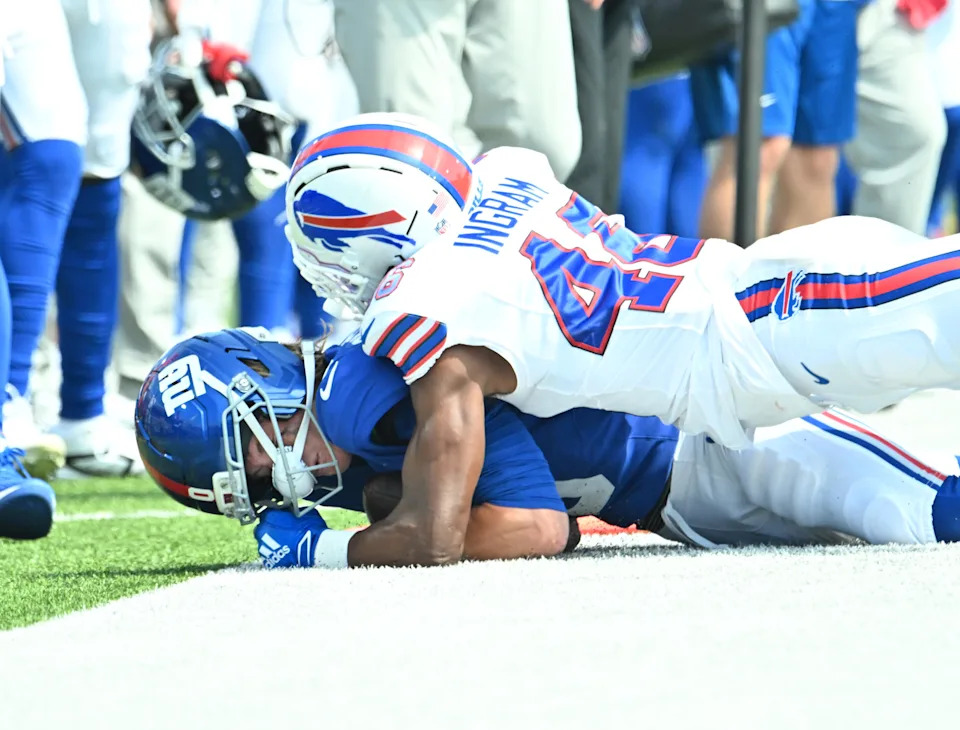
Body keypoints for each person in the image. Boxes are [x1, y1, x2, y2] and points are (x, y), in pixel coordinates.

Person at [275, 111, 960, 567]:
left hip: (770, 325)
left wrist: (319, 551)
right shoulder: (504, 172)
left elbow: (433, 535)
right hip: (762, 306)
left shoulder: (426, 305)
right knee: (918, 508)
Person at [136, 327, 960, 567]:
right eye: (242, 485)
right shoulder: (348, 448)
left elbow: (534, 526)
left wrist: (332, 554)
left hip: (714, 432)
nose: (273, 479)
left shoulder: (358, 396)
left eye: (251, 447)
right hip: (676, 501)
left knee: (927, 510)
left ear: (267, 387)